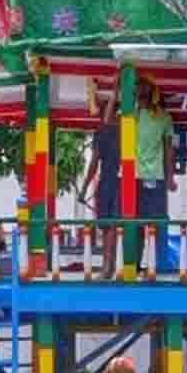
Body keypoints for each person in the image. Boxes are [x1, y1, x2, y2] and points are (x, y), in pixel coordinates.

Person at [78, 89, 119, 278]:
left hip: (109, 183)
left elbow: (94, 164)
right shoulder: (123, 131)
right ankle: (109, 268)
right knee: (111, 227)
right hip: (117, 182)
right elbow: (94, 163)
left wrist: (84, 189)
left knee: (109, 226)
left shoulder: (104, 132)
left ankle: (107, 268)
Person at [136, 77, 176, 269]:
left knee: (157, 224)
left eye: (144, 88)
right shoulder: (130, 114)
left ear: (153, 92)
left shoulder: (164, 117)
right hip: (133, 177)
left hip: (157, 177)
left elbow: (169, 149)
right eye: (137, 88)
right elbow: (108, 120)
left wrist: (170, 178)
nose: (140, 91)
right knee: (134, 224)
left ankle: (158, 265)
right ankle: (133, 265)